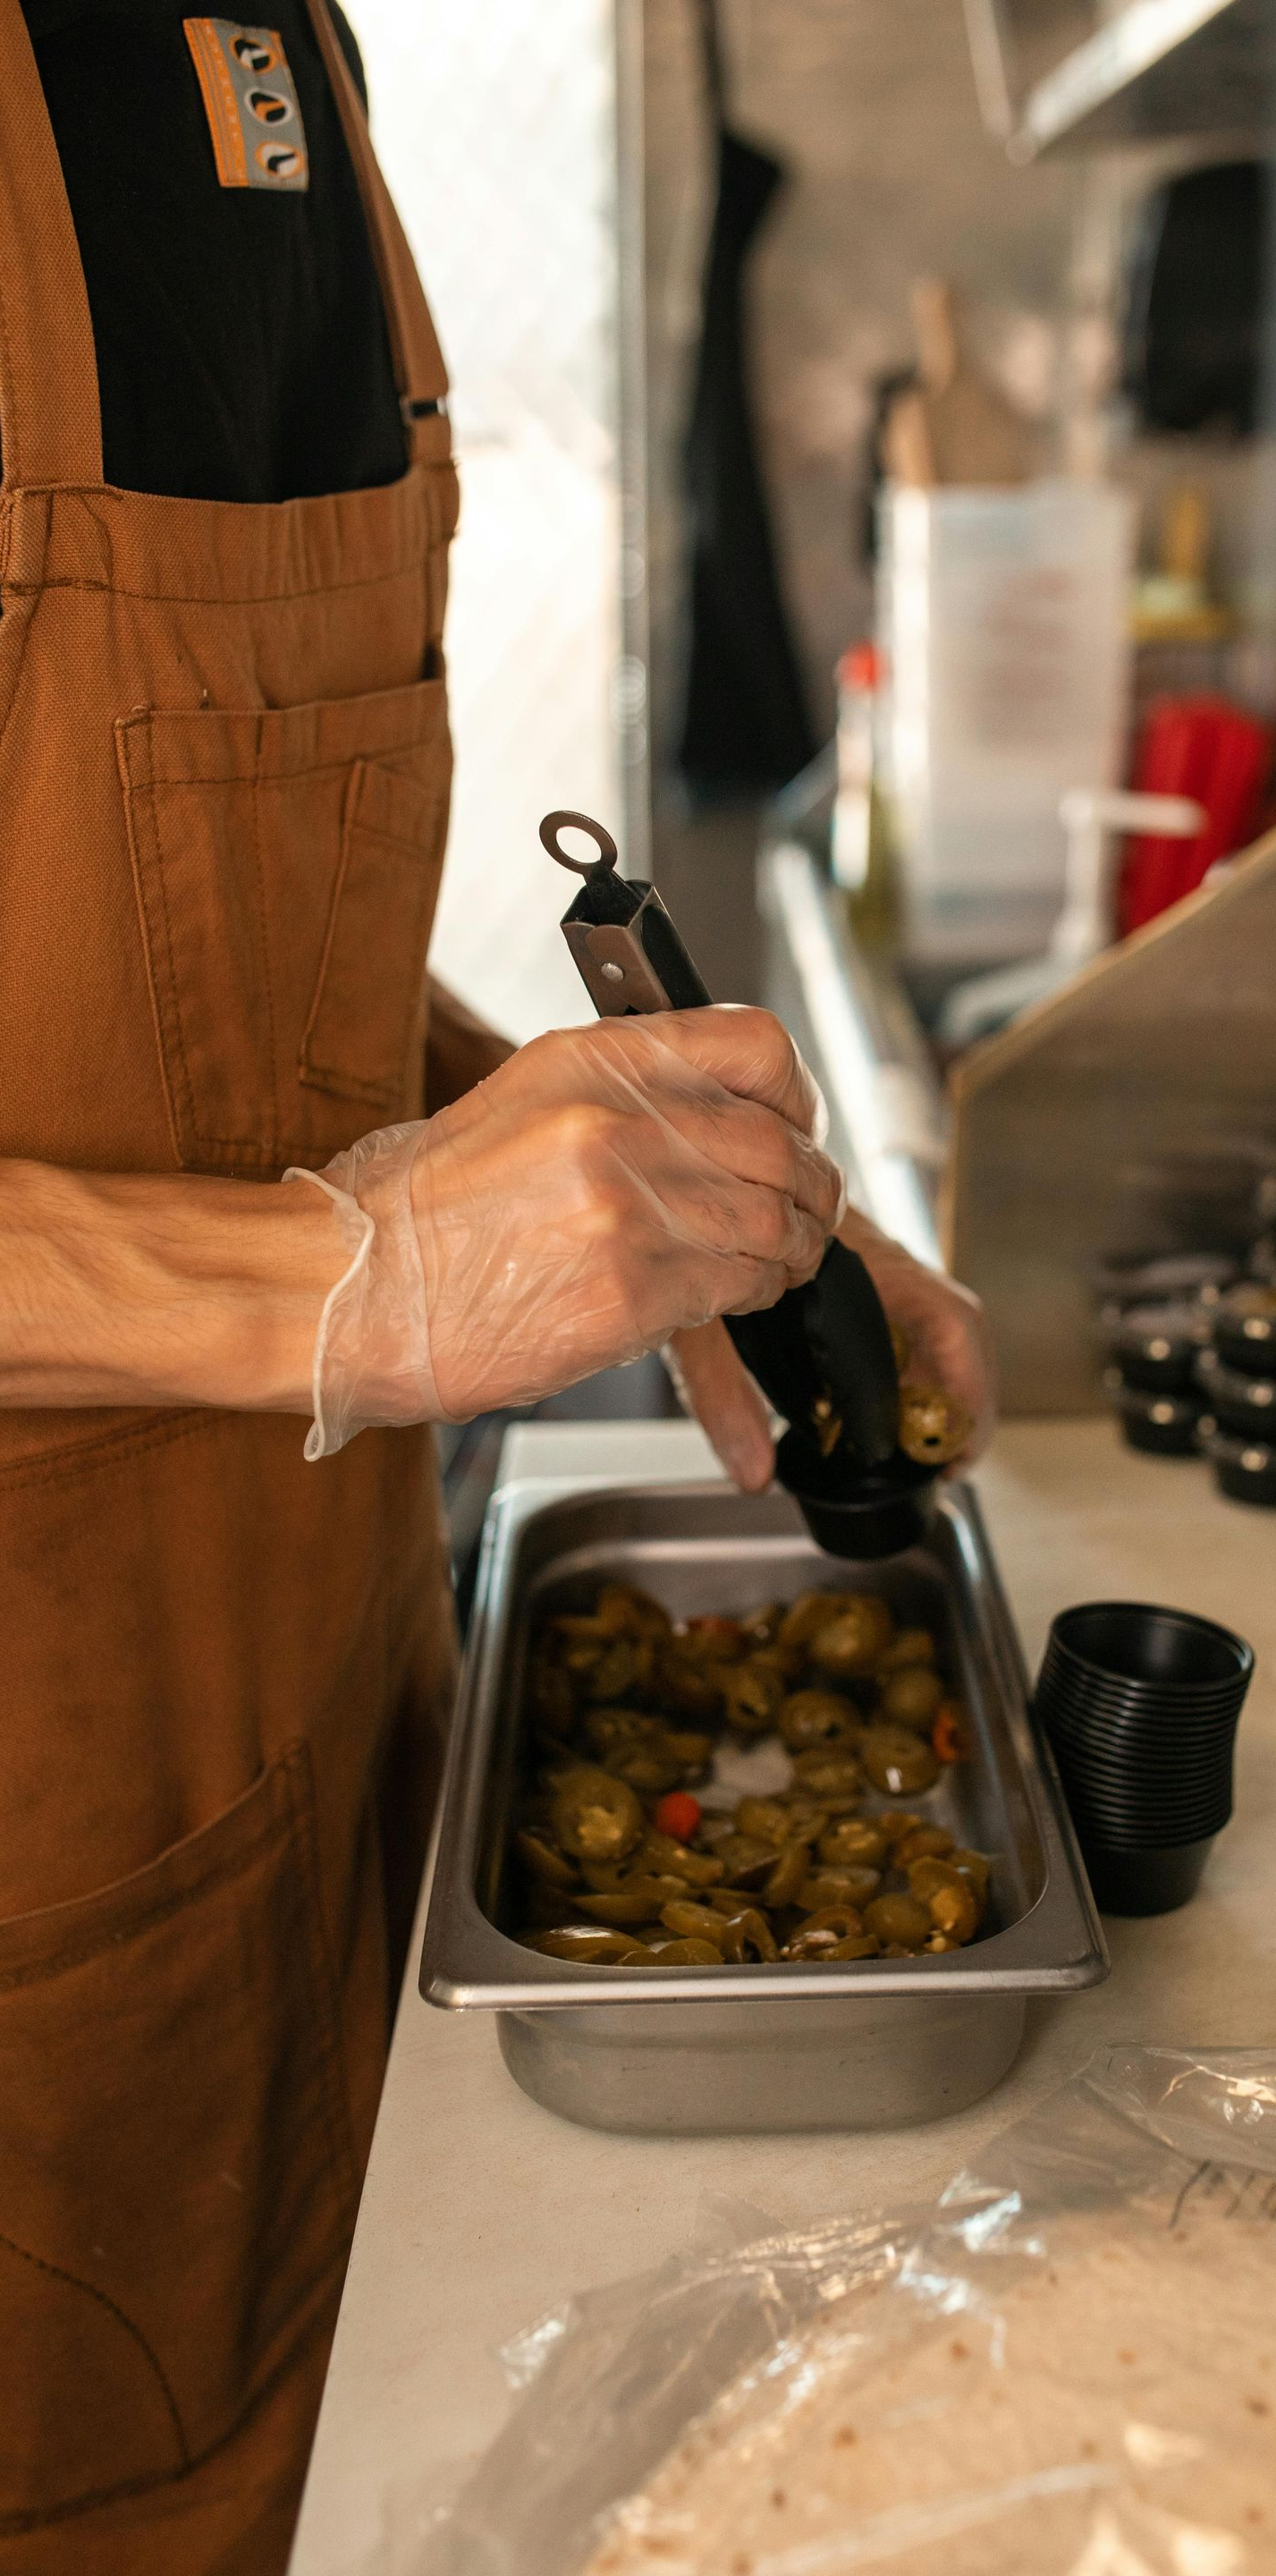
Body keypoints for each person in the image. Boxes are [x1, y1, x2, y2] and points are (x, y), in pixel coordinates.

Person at [0, 5, 992, 2571]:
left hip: (318, 1808)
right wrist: (334, 1276)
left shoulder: (270, 64)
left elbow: (206, 942)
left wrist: (655, 1176)